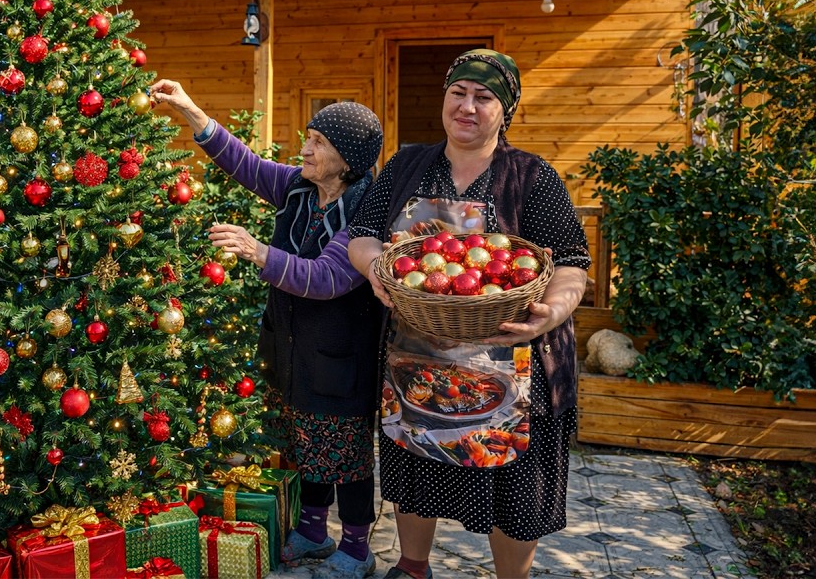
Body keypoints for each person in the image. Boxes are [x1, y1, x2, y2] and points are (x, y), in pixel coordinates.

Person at [346, 49, 590, 579]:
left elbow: (572, 262)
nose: (468, 107)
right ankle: (412, 567)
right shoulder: (406, 166)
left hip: (510, 365)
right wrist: (375, 271)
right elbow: (362, 235)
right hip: (417, 360)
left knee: (515, 487)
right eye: (458, 93)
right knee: (413, 462)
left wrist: (551, 313)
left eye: (484, 98)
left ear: (505, 111)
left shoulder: (531, 176)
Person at [150, 79, 385, 578]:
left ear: (348, 159)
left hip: (341, 350)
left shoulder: (367, 208)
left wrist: (258, 251)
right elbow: (245, 162)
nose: (306, 146)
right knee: (304, 439)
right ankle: (315, 530)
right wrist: (191, 110)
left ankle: (359, 546)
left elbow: (328, 277)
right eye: (309, 136)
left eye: (320, 142)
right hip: (290, 344)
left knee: (342, 447)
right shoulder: (298, 186)